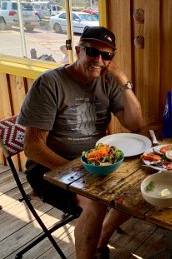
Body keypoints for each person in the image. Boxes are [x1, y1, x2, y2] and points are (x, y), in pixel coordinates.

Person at [18, 26, 145, 259]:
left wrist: (124, 82)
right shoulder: (50, 83)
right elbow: (33, 147)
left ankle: (99, 244)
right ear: (77, 50)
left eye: (107, 55)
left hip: (95, 165)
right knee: (96, 203)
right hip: (49, 170)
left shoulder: (107, 81)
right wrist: (78, 170)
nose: (99, 60)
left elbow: (135, 123)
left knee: (136, 191)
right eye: (92, 52)